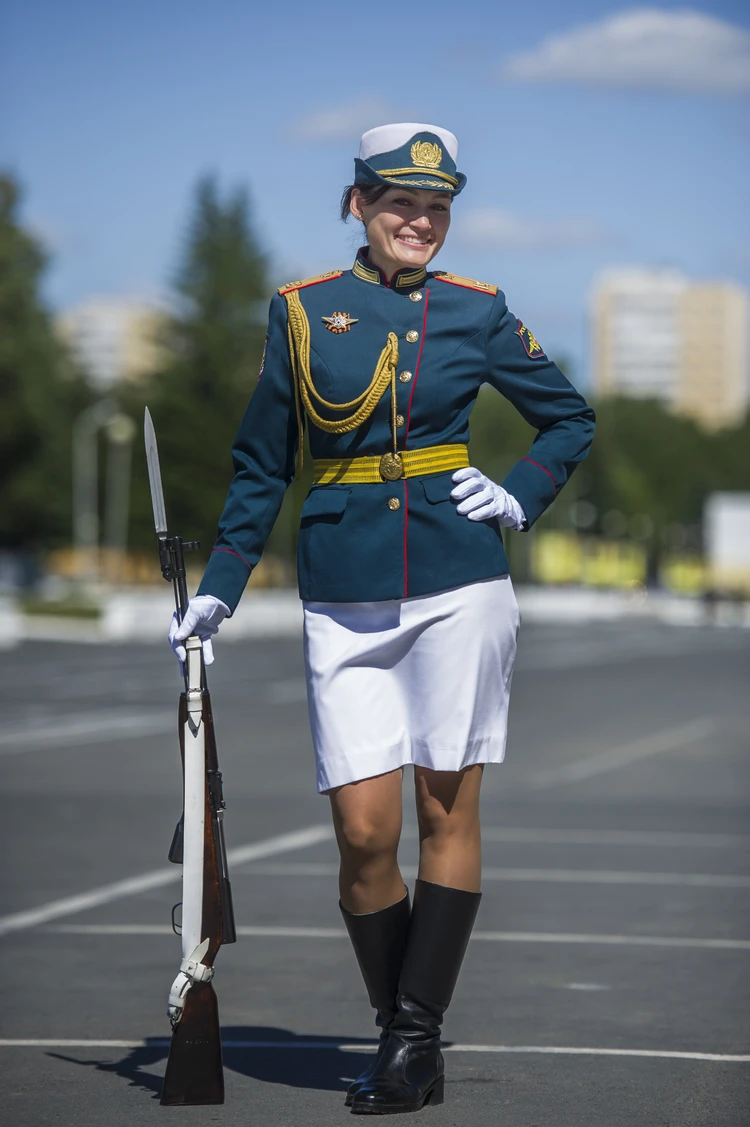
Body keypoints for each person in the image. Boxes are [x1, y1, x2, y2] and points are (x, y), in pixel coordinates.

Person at [168, 123, 595, 1115]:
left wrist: (522, 491)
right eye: (402, 202)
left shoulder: (479, 311)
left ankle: (411, 1041)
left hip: (459, 580)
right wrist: (221, 584)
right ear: (358, 203)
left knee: (448, 808)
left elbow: (569, 416)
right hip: (345, 588)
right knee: (364, 831)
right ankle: (403, 1021)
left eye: (438, 206)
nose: (421, 221)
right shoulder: (303, 312)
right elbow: (262, 461)